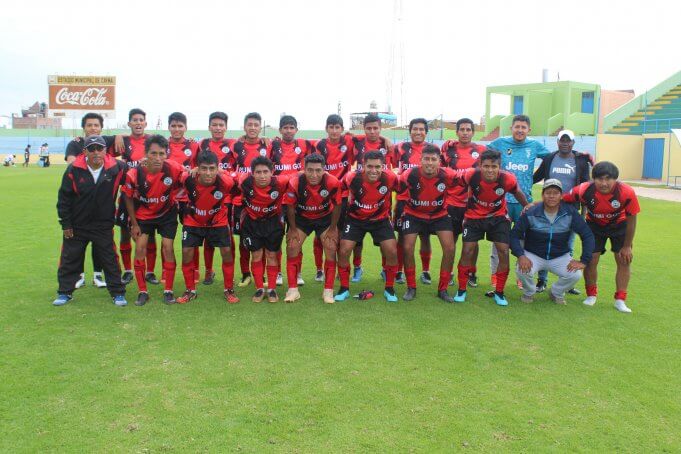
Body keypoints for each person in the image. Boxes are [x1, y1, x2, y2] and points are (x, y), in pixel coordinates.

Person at [54, 136, 127, 306]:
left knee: (109, 259)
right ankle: (65, 292)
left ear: (105, 150)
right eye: (91, 148)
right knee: (69, 259)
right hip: (77, 225)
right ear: (85, 151)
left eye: (99, 148)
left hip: (103, 224)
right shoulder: (73, 169)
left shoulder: (117, 167)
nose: (96, 152)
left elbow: (135, 175)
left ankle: (117, 293)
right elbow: (64, 198)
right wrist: (66, 224)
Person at [562, 162, 640, 313]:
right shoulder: (584, 189)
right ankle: (591, 295)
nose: (604, 183)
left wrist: (627, 246)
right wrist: (537, 204)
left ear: (615, 179)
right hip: (594, 226)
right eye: (599, 179)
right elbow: (562, 198)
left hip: (620, 225)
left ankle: (620, 300)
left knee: (623, 260)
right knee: (591, 260)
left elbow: (632, 221)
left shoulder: (626, 192)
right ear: (593, 179)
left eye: (608, 179)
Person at [454, 149, 528, 306]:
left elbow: (518, 193)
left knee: (503, 251)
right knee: (467, 250)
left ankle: (499, 292)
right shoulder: (471, 175)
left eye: (494, 167)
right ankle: (461, 290)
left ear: (499, 167)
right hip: (473, 217)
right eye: (486, 166)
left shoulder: (507, 179)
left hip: (498, 218)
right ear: (480, 165)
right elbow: (455, 186)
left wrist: (527, 207)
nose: (490, 170)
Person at [487, 115, 549, 290]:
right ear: (511, 128)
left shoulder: (534, 146)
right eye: (517, 127)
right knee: (499, 242)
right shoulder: (500, 143)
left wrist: (535, 178)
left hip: (525, 204)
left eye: (523, 127)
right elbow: (482, 156)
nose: (520, 130)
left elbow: (552, 158)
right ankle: (495, 276)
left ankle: (521, 276)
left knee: (523, 243)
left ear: (529, 130)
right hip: (501, 201)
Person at [122, 135, 184, 306]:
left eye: (161, 154)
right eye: (153, 153)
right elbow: (127, 197)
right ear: (146, 153)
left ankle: (168, 291)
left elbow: (189, 177)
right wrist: (133, 224)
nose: (157, 158)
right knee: (140, 248)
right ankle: (143, 292)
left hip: (167, 214)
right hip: (143, 216)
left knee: (168, 247)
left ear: (167, 154)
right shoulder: (134, 173)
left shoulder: (174, 168)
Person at [511, 179, 595, 304]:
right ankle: (529, 292)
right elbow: (514, 235)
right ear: (542, 195)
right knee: (521, 268)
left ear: (561, 196)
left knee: (575, 274)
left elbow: (587, 235)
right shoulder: (531, 212)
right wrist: (521, 255)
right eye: (548, 192)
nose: (551, 196)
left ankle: (556, 292)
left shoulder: (570, 213)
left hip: (559, 256)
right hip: (534, 255)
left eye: (555, 193)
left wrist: (583, 261)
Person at [532, 129, 593, 293]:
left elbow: (586, 188)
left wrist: (584, 213)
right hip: (548, 208)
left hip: (570, 210)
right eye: (562, 140)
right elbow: (536, 177)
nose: (565, 143)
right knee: (545, 241)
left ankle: (566, 282)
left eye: (568, 141)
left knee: (568, 245)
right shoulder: (550, 158)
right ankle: (542, 281)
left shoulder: (580, 161)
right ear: (557, 142)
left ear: (573, 143)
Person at [398, 145, 461, 303]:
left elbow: (468, 181)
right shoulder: (409, 174)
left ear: (439, 161)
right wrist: (397, 214)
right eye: (426, 159)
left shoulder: (448, 174)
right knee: (407, 247)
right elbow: (398, 192)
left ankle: (443, 289)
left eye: (433, 159)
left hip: (439, 215)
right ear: (420, 160)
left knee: (450, 248)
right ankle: (411, 287)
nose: (430, 163)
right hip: (414, 215)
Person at [335, 151, 399, 303]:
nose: (374, 170)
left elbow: (403, 192)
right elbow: (339, 193)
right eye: (369, 166)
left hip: (380, 220)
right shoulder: (352, 178)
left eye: (378, 167)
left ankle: (389, 288)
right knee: (344, 249)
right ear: (362, 166)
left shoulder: (390, 177)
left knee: (391, 250)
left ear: (383, 166)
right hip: (355, 219)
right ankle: (344, 288)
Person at [176, 151, 238, 304]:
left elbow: (238, 177)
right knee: (186, 253)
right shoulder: (187, 178)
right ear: (197, 168)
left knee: (226, 253)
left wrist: (223, 171)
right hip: (193, 221)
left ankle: (228, 289)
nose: (208, 173)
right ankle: (190, 290)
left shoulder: (226, 182)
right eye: (204, 168)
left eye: (212, 168)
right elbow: (172, 166)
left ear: (217, 168)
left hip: (218, 221)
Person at [64, 112, 117, 289]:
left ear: (101, 128)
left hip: (101, 206)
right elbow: (71, 163)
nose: (93, 128)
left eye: (96, 125)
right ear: (84, 127)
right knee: (75, 245)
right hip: (80, 199)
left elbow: (127, 137)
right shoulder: (75, 143)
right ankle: (78, 275)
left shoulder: (107, 141)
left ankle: (97, 274)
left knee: (101, 243)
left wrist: (120, 137)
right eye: (89, 125)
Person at [283, 153, 341, 303]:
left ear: (324, 170)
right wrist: (293, 229)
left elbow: (338, 205)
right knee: (292, 246)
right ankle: (292, 290)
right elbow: (289, 206)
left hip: (324, 218)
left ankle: (328, 291)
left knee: (330, 247)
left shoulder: (332, 182)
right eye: (310, 170)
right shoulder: (295, 182)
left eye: (318, 170)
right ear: (304, 169)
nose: (314, 174)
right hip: (302, 218)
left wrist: (333, 228)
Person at [111, 108, 158, 286]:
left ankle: (151, 272)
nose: (138, 123)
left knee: (150, 234)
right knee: (124, 233)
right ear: (129, 123)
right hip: (127, 193)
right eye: (135, 120)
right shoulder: (123, 141)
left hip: (146, 195)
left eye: (141, 120)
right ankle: (128, 270)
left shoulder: (152, 141)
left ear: (145, 123)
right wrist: (118, 135)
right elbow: (106, 153)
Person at [271, 115, 315, 287]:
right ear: (280, 130)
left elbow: (337, 139)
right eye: (285, 128)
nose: (288, 131)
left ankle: (297, 274)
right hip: (278, 199)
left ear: (296, 129)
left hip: (298, 199)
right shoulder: (272, 145)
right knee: (277, 236)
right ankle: (279, 273)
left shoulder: (305, 145)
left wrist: (385, 138)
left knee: (296, 236)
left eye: (291, 127)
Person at [350, 113, 395, 282]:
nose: (372, 131)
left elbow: (395, 169)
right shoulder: (357, 143)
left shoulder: (388, 145)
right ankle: (357, 268)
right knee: (356, 239)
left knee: (385, 240)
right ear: (364, 129)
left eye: (376, 128)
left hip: (383, 198)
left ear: (380, 129)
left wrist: (386, 138)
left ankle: (385, 269)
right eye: (369, 128)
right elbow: (347, 135)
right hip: (359, 196)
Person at [237, 156, 289, 303]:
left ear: (272, 172)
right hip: (252, 223)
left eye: (265, 172)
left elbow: (300, 174)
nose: (262, 176)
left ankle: (272, 289)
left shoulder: (280, 182)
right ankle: (259, 288)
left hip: (273, 222)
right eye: (258, 172)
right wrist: (195, 170)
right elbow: (222, 173)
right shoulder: (244, 181)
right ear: (252, 173)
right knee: (257, 255)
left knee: (272, 255)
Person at [312, 114, 356, 283]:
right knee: (320, 235)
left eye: (338, 127)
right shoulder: (319, 145)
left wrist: (384, 138)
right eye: (331, 127)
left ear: (342, 129)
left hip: (343, 196)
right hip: (323, 196)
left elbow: (369, 136)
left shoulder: (349, 142)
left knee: (342, 236)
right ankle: (319, 269)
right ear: (326, 128)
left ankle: (342, 269)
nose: (334, 130)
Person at [440, 118, 483, 287]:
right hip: (452, 202)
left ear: (473, 132)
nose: (465, 132)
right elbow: (440, 171)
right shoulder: (448, 150)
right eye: (462, 129)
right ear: (456, 132)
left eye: (468, 129)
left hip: (473, 203)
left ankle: (472, 272)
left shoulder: (481, 150)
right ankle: (449, 273)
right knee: (452, 240)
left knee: (472, 241)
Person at [232, 112, 273, 288]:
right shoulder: (235, 146)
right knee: (243, 239)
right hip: (240, 200)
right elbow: (229, 168)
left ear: (260, 126)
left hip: (263, 200)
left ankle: (261, 274)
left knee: (263, 239)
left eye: (256, 125)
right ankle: (245, 274)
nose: (253, 128)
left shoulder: (268, 145)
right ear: (244, 126)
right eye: (250, 125)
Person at [196, 111, 237, 285]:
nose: (218, 128)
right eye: (215, 125)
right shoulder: (202, 144)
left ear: (226, 128)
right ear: (209, 127)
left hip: (227, 198)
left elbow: (239, 167)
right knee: (206, 236)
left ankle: (231, 274)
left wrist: (224, 174)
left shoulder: (234, 144)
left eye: (221, 125)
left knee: (228, 237)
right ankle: (208, 271)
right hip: (205, 197)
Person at [394, 117, 434, 285]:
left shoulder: (433, 150)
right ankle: (399, 271)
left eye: (421, 129)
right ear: (409, 131)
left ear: (426, 132)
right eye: (415, 129)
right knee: (402, 237)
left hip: (426, 201)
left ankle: (425, 271)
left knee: (425, 238)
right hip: (404, 200)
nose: (418, 132)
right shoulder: (400, 148)